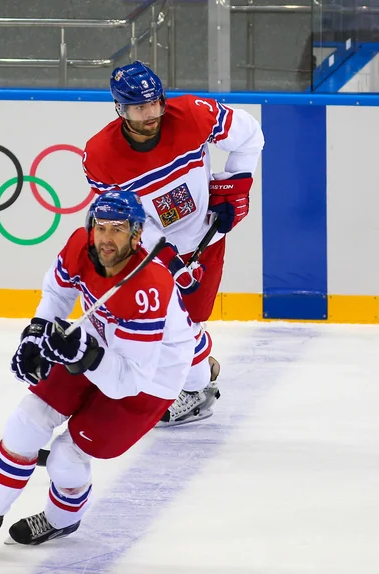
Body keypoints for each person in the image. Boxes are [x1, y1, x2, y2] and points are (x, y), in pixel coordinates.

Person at [0, 190, 211, 548]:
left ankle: (60, 521)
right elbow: (58, 292)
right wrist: (35, 333)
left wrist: (85, 355)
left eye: (118, 229)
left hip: (151, 377)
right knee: (28, 419)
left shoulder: (148, 286)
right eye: (100, 226)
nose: (106, 238)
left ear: (136, 234)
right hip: (98, 343)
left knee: (67, 458)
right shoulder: (81, 246)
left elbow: (127, 381)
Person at [82, 60, 264, 426]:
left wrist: (237, 184)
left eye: (155, 104)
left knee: (192, 320)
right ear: (120, 108)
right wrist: (161, 252)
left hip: (205, 238)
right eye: (139, 108)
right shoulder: (100, 155)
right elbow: (121, 217)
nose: (151, 115)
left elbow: (250, 135)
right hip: (149, 252)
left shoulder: (193, 114)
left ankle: (195, 382)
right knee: (162, 322)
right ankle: (195, 378)